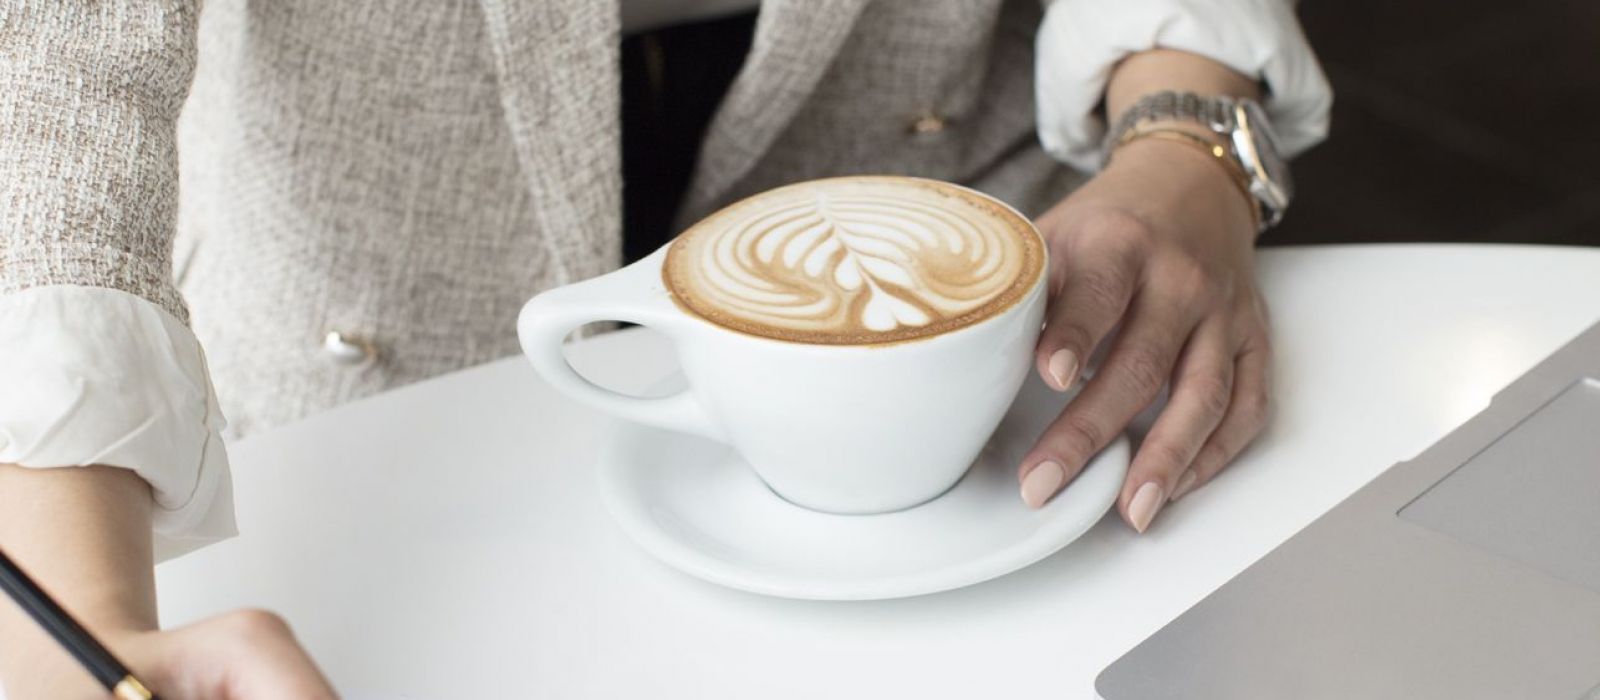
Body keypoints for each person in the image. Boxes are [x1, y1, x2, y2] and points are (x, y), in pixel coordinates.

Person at [0, 0, 1330, 696]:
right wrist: (84, 633)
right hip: (382, 401)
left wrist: (1188, 134)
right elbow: (44, 101)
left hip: (987, 362)